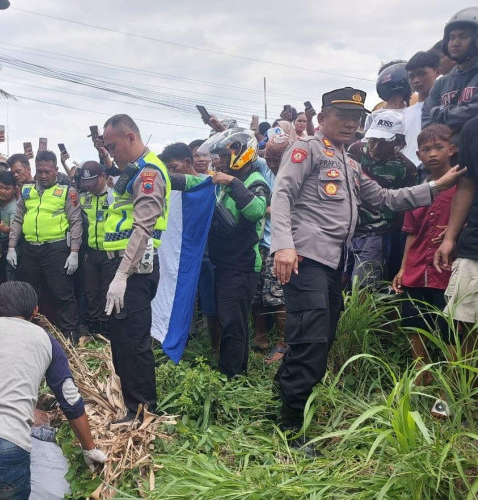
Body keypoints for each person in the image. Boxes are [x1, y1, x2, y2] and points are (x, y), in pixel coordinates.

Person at [270, 87, 464, 452]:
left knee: (318, 338)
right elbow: (282, 194)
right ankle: (291, 427)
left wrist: (436, 187)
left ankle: (283, 400)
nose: (349, 123)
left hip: (332, 264)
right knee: (311, 341)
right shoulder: (306, 150)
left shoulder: (350, 164)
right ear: (323, 118)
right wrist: (283, 244)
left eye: (356, 118)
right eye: (341, 115)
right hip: (304, 258)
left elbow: (388, 200)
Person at [0, 282, 106, 500]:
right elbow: (70, 400)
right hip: (7, 443)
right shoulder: (46, 340)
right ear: (35, 310)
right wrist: (89, 448)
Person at [101, 114, 170, 422]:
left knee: (134, 341)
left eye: (113, 146)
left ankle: (143, 409)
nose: (111, 153)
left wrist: (121, 275)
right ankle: (132, 405)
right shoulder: (132, 171)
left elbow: (142, 227)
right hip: (122, 268)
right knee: (122, 339)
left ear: (130, 137)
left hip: (133, 272)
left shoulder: (149, 173)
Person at [198, 128, 270, 379]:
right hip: (224, 263)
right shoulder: (222, 182)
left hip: (242, 265)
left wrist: (233, 183)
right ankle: (234, 369)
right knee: (229, 319)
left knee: (233, 322)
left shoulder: (254, 181)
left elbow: (256, 211)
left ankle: (231, 376)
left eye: (222, 157)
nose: (218, 162)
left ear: (241, 154)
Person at [392, 124, 456, 385]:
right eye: (426, 149)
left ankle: (451, 379)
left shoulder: (463, 188)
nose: (433, 154)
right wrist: (403, 268)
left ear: (452, 149)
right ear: (418, 155)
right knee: (414, 322)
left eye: (439, 147)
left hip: (447, 270)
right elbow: (410, 233)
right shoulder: (419, 191)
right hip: (417, 268)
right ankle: (422, 374)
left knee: (451, 327)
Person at [7, 150, 82, 342]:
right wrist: (11, 247)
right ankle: (25, 332)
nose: (43, 175)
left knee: (63, 292)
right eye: (40, 171)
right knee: (27, 292)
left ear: (56, 170)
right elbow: (17, 219)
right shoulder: (27, 191)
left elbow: (75, 222)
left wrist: (74, 252)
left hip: (56, 248)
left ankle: (70, 335)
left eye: (47, 171)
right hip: (30, 248)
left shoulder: (67, 191)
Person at [162, 142, 221, 356]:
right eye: (167, 168)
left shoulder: (208, 183)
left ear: (188, 163)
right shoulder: (174, 190)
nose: (170, 173)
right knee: (177, 299)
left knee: (211, 307)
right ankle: (178, 344)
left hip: (206, 256)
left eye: (174, 167)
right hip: (180, 255)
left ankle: (216, 349)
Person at [347, 109, 417, 288]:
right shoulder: (355, 151)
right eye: (373, 140)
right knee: (337, 282)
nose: (376, 147)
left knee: (363, 285)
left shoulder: (405, 168)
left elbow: (404, 207)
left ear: (398, 142)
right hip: (345, 229)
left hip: (376, 234)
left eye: (384, 142)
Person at [434, 99, 478, 328]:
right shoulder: (472, 128)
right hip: (475, 245)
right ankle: (461, 367)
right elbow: (467, 185)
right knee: (464, 323)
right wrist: (450, 238)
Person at [252, 134, 289, 363]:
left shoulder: (295, 176)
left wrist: (266, 209)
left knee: (280, 297)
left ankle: (283, 343)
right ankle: (260, 336)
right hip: (260, 244)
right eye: (269, 158)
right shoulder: (265, 170)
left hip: (282, 246)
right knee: (257, 294)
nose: (272, 164)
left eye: (278, 159)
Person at [422, 8, 478, 144]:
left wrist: (438, 113)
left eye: (463, 36)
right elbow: (426, 125)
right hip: (444, 161)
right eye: (452, 37)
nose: (455, 43)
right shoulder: (441, 84)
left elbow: (473, 115)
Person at [77, 161, 113, 336]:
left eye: (93, 182)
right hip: (90, 251)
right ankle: (92, 326)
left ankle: (106, 326)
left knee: (107, 291)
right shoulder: (84, 197)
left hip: (110, 251)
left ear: (103, 177)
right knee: (91, 290)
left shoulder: (115, 195)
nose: (90, 187)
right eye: (86, 184)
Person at [403, 51, 441, 175]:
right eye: (412, 76)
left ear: (437, 72)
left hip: (432, 171)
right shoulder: (405, 113)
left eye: (422, 74)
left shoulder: (442, 109)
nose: (416, 80)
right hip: (407, 173)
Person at [0, 171, 17, 285]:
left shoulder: (15, 206)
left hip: (10, 246)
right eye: (0, 187)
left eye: (7, 188)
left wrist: (4, 229)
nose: (3, 191)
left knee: (8, 278)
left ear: (14, 189)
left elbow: (17, 230)